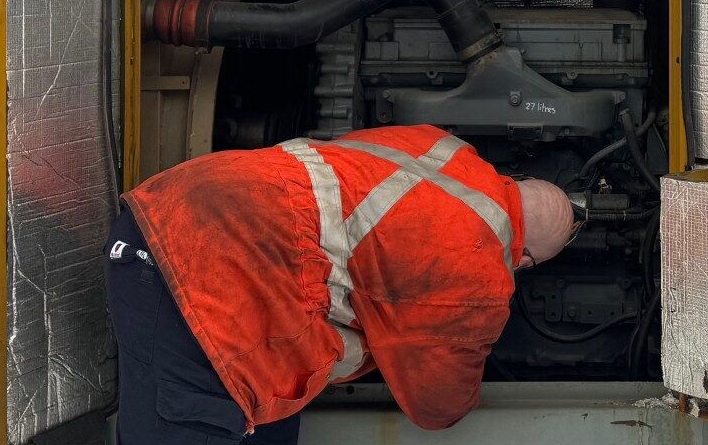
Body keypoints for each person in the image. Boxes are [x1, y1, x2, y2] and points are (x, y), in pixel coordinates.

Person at [105, 123, 579, 444]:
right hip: (205, 283)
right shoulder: (480, 271)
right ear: (527, 260)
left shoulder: (444, 148)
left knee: (273, 425)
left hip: (173, 208)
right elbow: (436, 405)